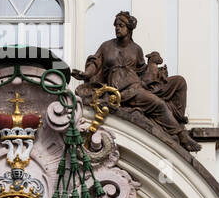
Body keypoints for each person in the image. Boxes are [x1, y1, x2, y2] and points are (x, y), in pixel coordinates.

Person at [74, 12, 199, 151]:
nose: (117, 28)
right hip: (116, 92)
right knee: (159, 105)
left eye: (121, 25)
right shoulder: (106, 46)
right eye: (116, 25)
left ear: (129, 28)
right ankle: (181, 135)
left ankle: (180, 130)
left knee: (173, 88)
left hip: (134, 88)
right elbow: (95, 63)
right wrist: (85, 73)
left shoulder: (136, 49)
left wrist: (155, 69)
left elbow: (141, 71)